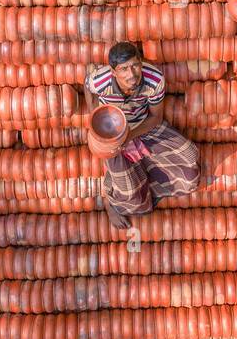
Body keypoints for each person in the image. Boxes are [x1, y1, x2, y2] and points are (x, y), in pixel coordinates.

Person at [83, 41, 203, 229]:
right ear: (114, 72)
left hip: (143, 125)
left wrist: (130, 136)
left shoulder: (154, 79)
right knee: (129, 191)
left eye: (135, 65)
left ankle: (152, 187)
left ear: (141, 62)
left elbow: (156, 117)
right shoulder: (100, 80)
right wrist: (95, 118)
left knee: (190, 158)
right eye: (123, 69)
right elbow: (87, 87)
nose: (131, 74)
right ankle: (112, 202)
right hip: (113, 134)